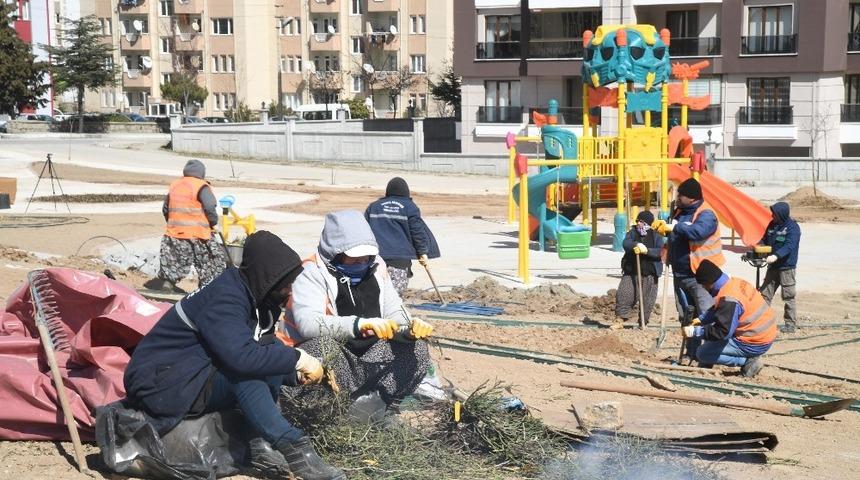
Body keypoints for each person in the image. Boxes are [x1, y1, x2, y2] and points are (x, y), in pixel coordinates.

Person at [124, 231, 344, 480]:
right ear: (266, 277)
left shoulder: (256, 299)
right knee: (246, 374)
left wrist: (294, 373)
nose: (289, 291)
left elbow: (263, 349)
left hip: (192, 374)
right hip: (161, 384)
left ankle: (258, 445)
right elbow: (241, 358)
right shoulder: (225, 298)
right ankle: (296, 449)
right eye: (285, 284)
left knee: (263, 364)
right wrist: (298, 359)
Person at [283, 210, 434, 409]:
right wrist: (358, 325)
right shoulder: (311, 272)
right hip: (332, 358)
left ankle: (380, 406)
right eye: (354, 259)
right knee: (321, 348)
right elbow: (308, 324)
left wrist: (409, 328)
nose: (362, 263)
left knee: (417, 348)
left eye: (366, 258)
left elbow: (394, 310)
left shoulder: (377, 265)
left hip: (367, 354)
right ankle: (326, 412)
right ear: (335, 254)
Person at [684, 259, 777, 378]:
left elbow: (723, 332)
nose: (705, 289)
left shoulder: (729, 299)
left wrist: (694, 332)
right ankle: (706, 365)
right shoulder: (733, 282)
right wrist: (701, 319)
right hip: (763, 333)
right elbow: (719, 309)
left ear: (709, 283)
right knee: (709, 339)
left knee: (702, 353)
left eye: (703, 286)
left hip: (754, 341)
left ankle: (748, 362)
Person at [148, 159, 227, 292]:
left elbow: (165, 209)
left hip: (175, 232)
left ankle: (168, 282)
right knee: (211, 262)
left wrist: (174, 223)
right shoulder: (201, 186)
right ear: (202, 173)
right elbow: (209, 207)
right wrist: (214, 222)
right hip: (199, 234)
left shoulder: (175, 185)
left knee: (173, 260)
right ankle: (208, 288)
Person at [652, 178, 725, 319]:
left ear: (691, 198)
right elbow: (677, 232)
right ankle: (690, 340)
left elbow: (698, 232)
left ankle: (707, 340)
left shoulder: (706, 214)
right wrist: (665, 228)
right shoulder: (679, 211)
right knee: (686, 316)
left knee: (706, 314)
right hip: (680, 274)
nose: (677, 198)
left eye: (680, 195)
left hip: (699, 276)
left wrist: (675, 227)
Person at [365, 177, 440, 296]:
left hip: (375, 258)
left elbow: (364, 231)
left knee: (375, 292)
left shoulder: (374, 207)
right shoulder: (410, 207)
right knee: (394, 296)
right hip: (399, 260)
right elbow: (417, 232)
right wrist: (423, 252)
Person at [758, 201, 801, 333]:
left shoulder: (792, 228)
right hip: (773, 267)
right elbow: (765, 239)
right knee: (764, 294)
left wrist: (776, 255)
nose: (772, 216)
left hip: (786, 268)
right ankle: (761, 321)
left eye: (775, 214)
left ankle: (790, 324)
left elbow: (789, 245)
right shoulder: (772, 225)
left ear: (781, 214)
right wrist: (758, 249)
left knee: (788, 296)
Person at [615, 211, 663, 325]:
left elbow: (660, 251)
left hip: (650, 273)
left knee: (648, 300)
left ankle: (643, 322)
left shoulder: (656, 235)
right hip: (632, 271)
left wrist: (647, 251)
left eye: (642, 221)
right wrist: (635, 245)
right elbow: (626, 243)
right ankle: (620, 320)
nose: (639, 223)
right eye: (638, 221)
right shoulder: (632, 232)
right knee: (624, 294)